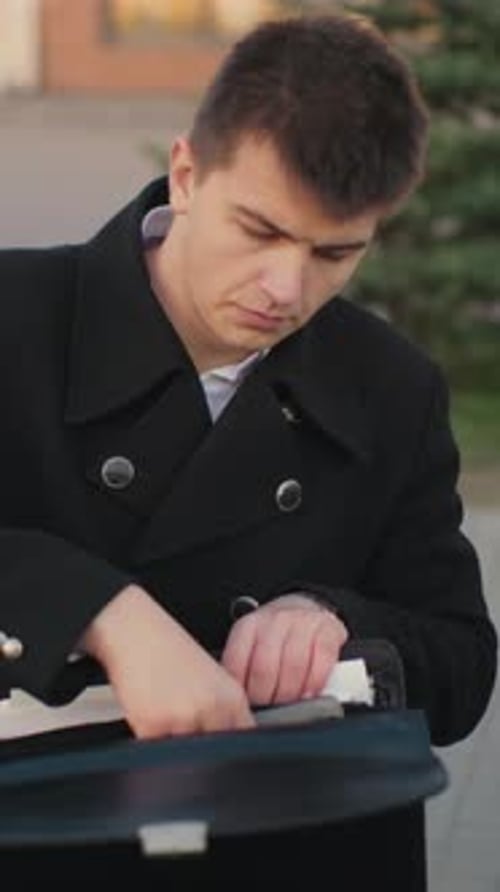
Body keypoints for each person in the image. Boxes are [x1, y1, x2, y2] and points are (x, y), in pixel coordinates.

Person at [0, 11, 496, 890]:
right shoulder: (16, 316)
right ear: (187, 173)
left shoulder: (391, 386)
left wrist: (338, 620)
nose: (286, 289)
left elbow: (460, 664)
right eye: (260, 231)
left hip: (303, 854)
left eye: (336, 253)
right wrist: (100, 612)